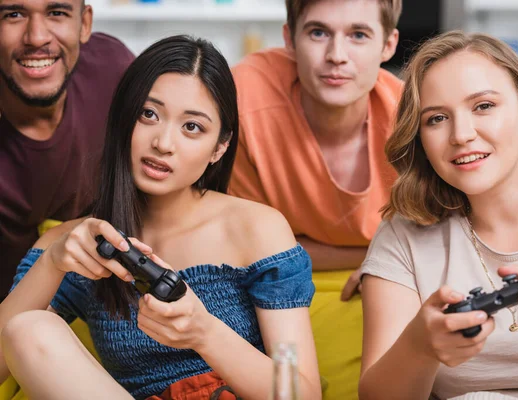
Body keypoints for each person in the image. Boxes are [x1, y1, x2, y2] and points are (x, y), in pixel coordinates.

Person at [0, 35, 321, 400]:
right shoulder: (80, 243)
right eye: (148, 114)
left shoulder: (258, 229)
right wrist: (53, 263)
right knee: (29, 328)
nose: (163, 143)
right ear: (123, 118)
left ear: (220, 146)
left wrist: (204, 333)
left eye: (192, 127)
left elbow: (300, 392)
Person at [359, 30, 518, 400]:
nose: (461, 134)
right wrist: (419, 347)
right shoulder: (403, 236)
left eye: (483, 106)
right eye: (437, 118)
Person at [229, 1, 402, 397]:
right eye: (318, 32)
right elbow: (249, 250)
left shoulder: (412, 117)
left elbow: (440, 241)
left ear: (388, 44)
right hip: (268, 281)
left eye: (358, 35)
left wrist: (389, 261)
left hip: (376, 281)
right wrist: (380, 251)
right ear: (290, 38)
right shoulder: (245, 98)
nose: (336, 56)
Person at [0, 0, 135, 298]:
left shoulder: (114, 70)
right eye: (13, 14)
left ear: (84, 24)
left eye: (57, 13)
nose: (36, 37)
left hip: (114, 308)